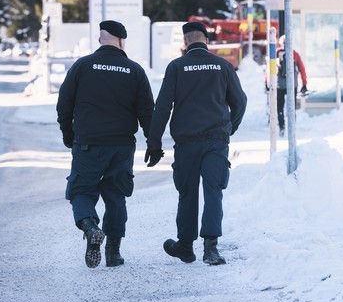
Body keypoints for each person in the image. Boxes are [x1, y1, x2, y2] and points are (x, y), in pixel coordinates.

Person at [145, 21, 247, 265]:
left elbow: (162, 108)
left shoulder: (177, 67)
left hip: (187, 143)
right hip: (216, 141)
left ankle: (186, 246)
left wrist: (154, 143)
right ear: (206, 40)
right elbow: (240, 101)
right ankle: (211, 249)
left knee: (187, 193)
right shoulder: (223, 65)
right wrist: (229, 127)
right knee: (213, 192)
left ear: (185, 42)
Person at [57, 20, 154, 268]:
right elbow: (147, 112)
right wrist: (153, 144)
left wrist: (68, 134)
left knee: (80, 191)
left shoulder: (82, 66)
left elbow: (64, 104)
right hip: (121, 146)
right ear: (122, 41)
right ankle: (113, 252)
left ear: (100, 40)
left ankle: (90, 227)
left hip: (88, 143)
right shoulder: (134, 70)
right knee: (115, 196)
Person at [276, 35, 308, 137]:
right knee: (292, 106)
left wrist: (268, 83)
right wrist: (304, 83)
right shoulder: (295, 54)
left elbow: (270, 69)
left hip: (279, 85)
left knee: (280, 106)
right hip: (292, 84)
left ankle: (282, 126)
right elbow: (302, 69)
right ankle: (292, 126)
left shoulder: (277, 53)